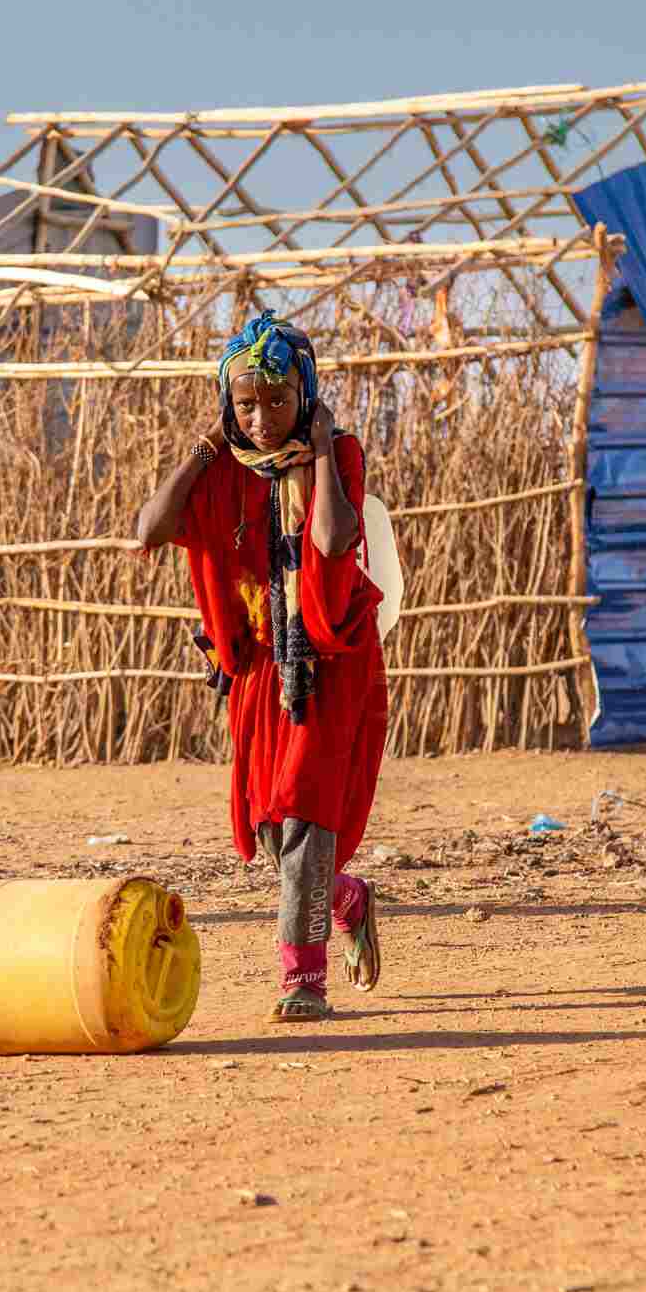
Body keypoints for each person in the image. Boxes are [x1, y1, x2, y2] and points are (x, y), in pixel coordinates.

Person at [135, 310, 389, 1024]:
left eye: (277, 399)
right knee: (274, 827)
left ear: (304, 396)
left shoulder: (338, 453)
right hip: (257, 670)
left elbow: (335, 538)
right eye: (245, 402)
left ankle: (303, 979)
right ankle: (345, 898)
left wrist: (318, 456)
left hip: (329, 663)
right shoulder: (222, 471)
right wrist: (207, 443)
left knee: (306, 811)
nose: (261, 416)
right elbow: (150, 529)